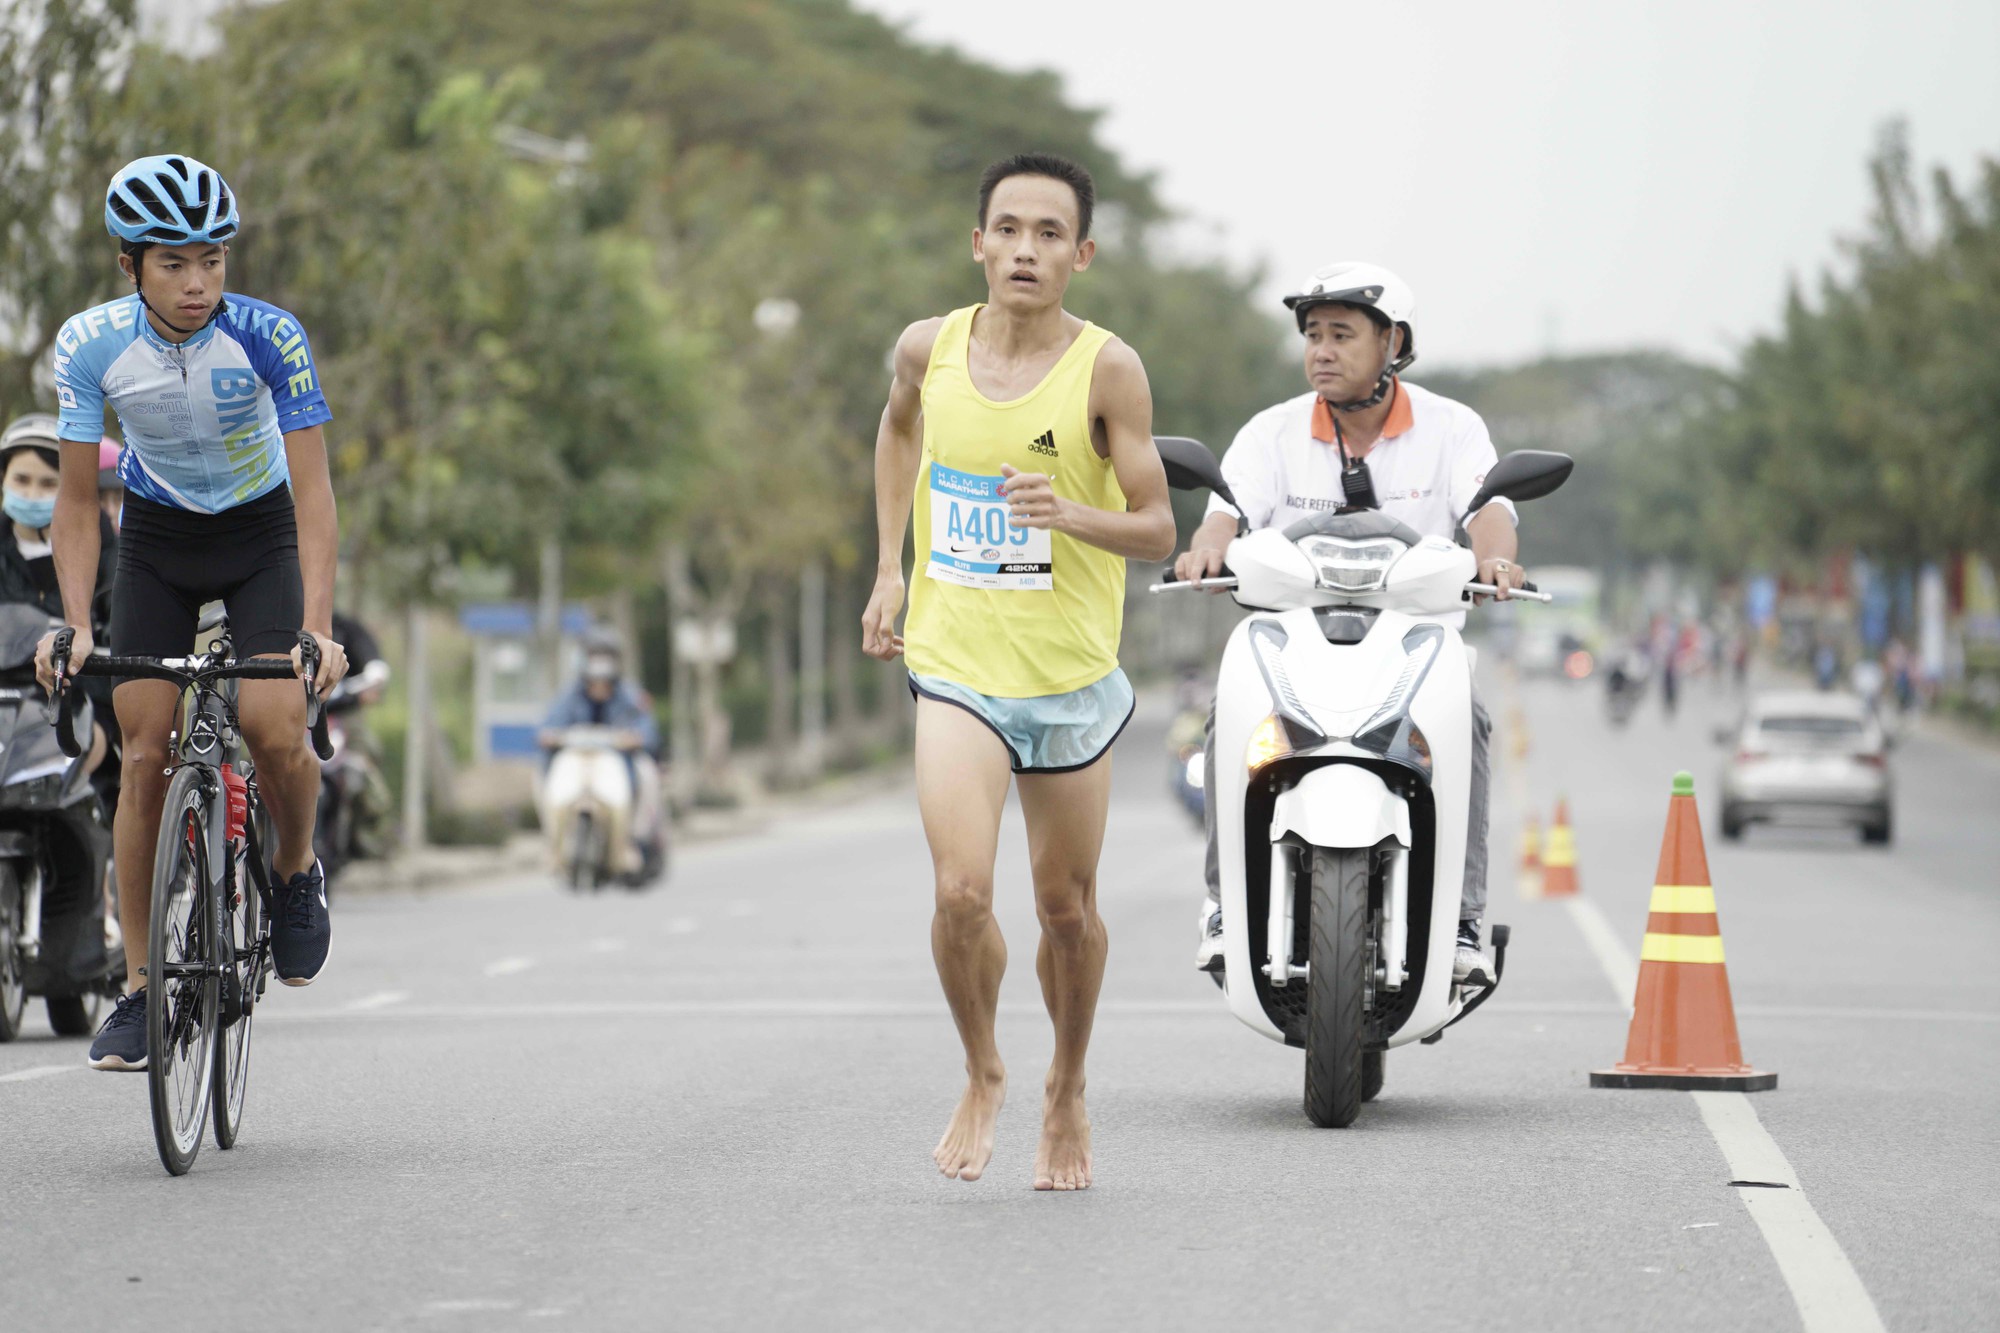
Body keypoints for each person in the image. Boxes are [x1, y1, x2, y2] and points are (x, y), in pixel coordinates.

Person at [861, 152, 1175, 1191]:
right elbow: (897, 429)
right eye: (1009, 229)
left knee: (1064, 912)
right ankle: (984, 1068)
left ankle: (1067, 1086)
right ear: (978, 242)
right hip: (954, 665)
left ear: (1079, 255)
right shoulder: (926, 348)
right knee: (959, 890)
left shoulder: (1107, 371)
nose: (1026, 249)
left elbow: (1156, 528)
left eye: (1050, 234)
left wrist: (1064, 512)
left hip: (1069, 677)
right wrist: (889, 573)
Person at [34, 153, 349, 1071]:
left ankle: (292, 873)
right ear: (129, 265)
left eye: (212, 259)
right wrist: (78, 625)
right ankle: (138, 987)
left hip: (261, 537)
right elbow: (79, 501)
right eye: (173, 262)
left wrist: (318, 630)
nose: (199, 282)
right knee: (141, 752)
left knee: (273, 722)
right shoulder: (90, 344)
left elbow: (315, 492)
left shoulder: (269, 336)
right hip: (160, 541)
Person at [1171, 261, 1523, 989]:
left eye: (1341, 335)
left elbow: (1490, 509)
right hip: (1295, 643)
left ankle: (1460, 918)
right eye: (1312, 335)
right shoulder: (1270, 433)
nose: (1321, 351)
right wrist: (1207, 548)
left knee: (1473, 720)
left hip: (1415, 643)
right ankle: (1222, 905)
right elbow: (1227, 510)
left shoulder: (1452, 428)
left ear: (1392, 340)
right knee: (1223, 714)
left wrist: (1496, 564)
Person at [1, 413, 118, 774]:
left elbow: (120, 625)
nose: (32, 494)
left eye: (48, 483)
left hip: (80, 708)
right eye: (21, 480)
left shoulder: (105, 552)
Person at [537, 631, 663, 879]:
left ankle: (630, 840)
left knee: (644, 775)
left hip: (617, 760)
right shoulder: (570, 695)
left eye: (605, 657)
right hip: (577, 758)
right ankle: (554, 844)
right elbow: (548, 724)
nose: (600, 665)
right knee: (547, 777)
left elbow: (647, 727)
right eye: (595, 657)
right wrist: (549, 736)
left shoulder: (628, 695)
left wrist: (637, 738)